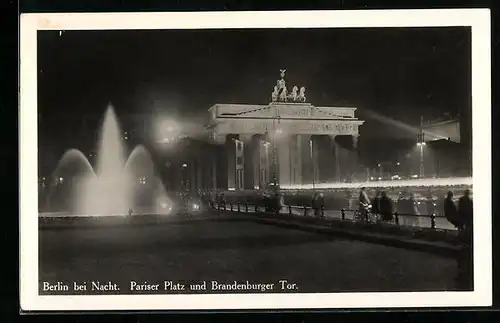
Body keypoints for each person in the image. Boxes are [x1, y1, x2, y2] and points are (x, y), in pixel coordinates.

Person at [457, 189, 473, 290]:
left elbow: (460, 209)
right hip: (467, 219)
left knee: (464, 231)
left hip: (463, 218)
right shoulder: (469, 201)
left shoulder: (461, 200)